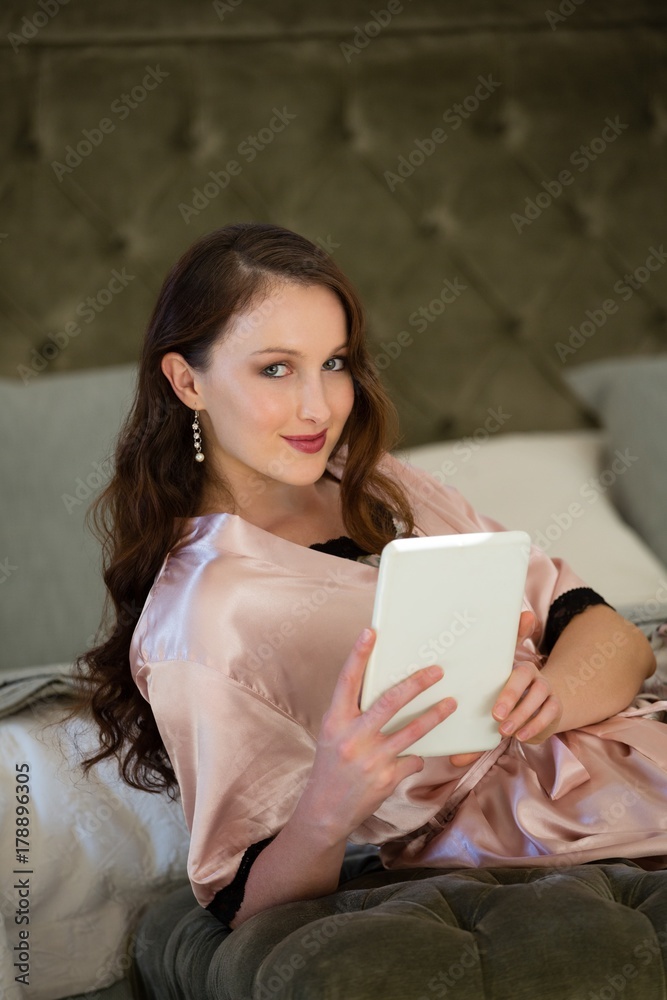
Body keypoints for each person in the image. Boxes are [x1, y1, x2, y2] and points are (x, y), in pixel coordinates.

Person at [77, 222, 667, 935]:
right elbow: (239, 900)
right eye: (275, 369)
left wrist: (551, 696)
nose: (319, 407)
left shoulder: (375, 483)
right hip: (541, 839)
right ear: (186, 381)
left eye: (333, 363)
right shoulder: (207, 613)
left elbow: (613, 638)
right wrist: (332, 801)